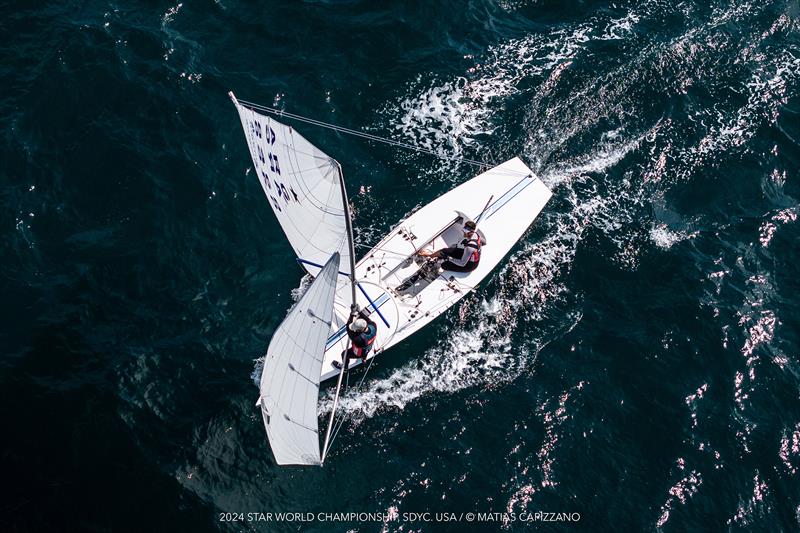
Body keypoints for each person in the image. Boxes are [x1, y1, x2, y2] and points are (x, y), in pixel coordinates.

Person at [417, 219, 483, 273]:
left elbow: (463, 263)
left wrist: (448, 258)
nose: (463, 233)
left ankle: (436, 269)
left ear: (470, 232)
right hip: (468, 255)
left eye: (464, 232)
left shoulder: (470, 247)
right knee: (444, 250)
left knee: (444, 265)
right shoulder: (476, 235)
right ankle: (430, 255)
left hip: (469, 265)